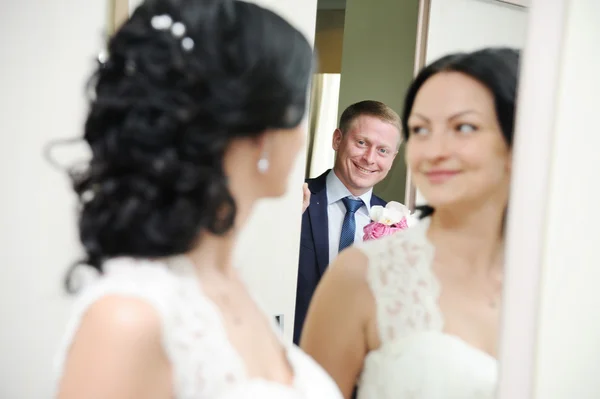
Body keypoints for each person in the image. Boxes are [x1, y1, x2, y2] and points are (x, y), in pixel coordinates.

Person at [52, 1, 343, 398]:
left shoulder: (229, 283)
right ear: (263, 132)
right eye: (300, 113)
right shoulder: (128, 319)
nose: (301, 136)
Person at [300, 47, 520, 399]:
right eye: (421, 129)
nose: (434, 150)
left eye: (463, 127)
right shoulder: (361, 271)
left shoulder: (557, 282)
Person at [294, 100, 402, 344]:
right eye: (362, 143)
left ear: (393, 159)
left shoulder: (398, 224)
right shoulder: (293, 198)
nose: (369, 158)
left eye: (383, 150)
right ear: (337, 140)